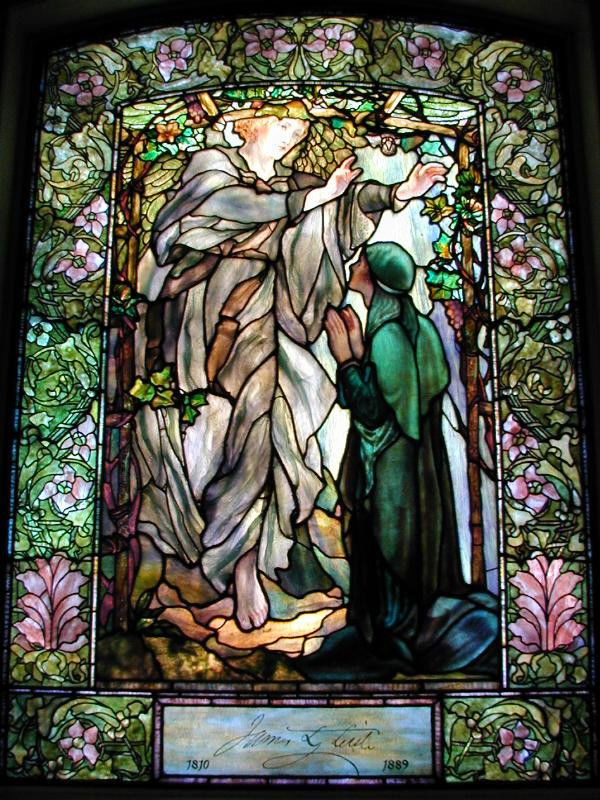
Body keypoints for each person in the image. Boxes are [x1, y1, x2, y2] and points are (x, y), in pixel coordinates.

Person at [134, 100, 447, 631]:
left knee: (266, 432)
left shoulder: (294, 186)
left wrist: (398, 193)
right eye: (282, 123)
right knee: (210, 440)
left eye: (298, 127)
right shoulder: (211, 168)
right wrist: (312, 198)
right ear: (246, 124)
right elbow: (233, 206)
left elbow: (341, 207)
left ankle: (245, 567)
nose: (292, 135)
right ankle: (209, 557)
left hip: (263, 317)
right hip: (203, 321)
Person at [301, 241, 498, 679]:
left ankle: (390, 637)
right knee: (409, 544)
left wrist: (346, 359)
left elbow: (374, 411)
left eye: (362, 261)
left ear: (374, 277)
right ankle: (389, 630)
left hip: (392, 471)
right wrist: (358, 349)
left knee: (386, 545)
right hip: (418, 467)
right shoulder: (415, 326)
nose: (354, 263)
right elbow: (405, 391)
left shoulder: (389, 333)